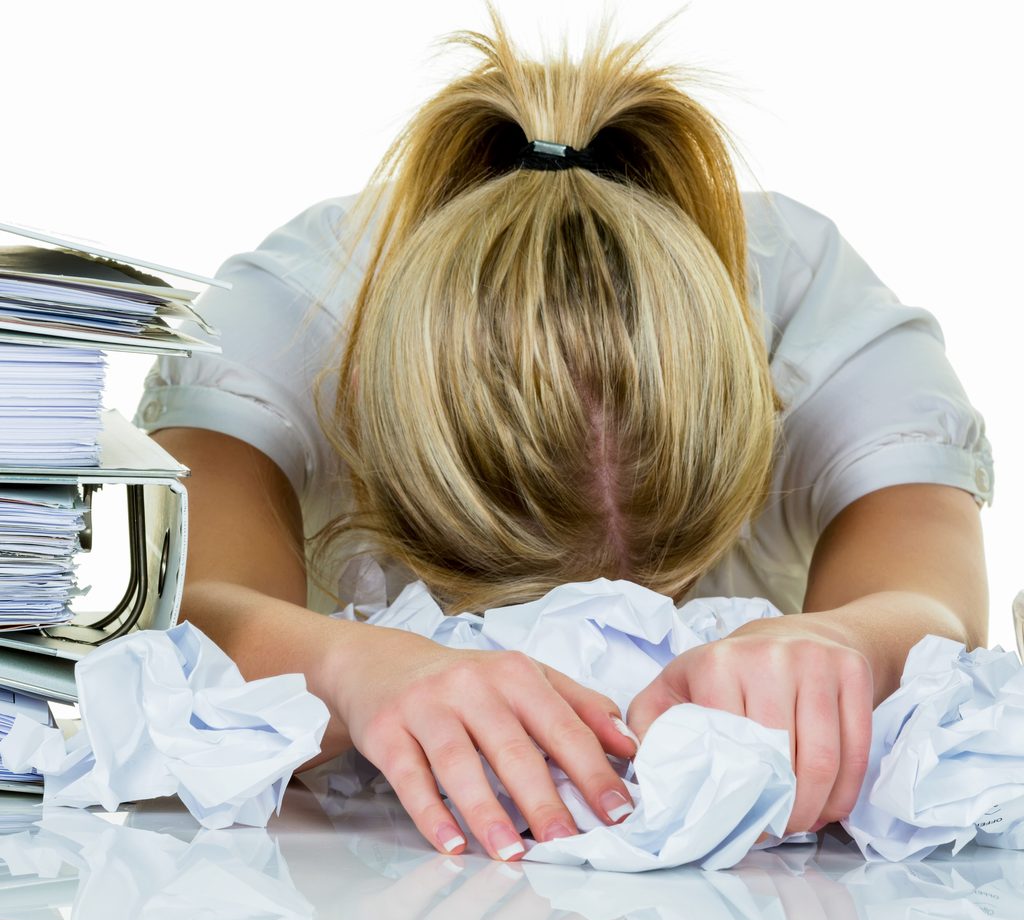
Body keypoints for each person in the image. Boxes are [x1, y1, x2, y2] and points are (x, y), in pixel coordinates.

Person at [137, 5, 993, 863]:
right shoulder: (284, 318)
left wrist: (843, 641)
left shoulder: (821, 319)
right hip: (332, 864)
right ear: (376, 429)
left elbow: (935, 607)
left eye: (659, 591)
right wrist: (350, 666)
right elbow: (185, 612)